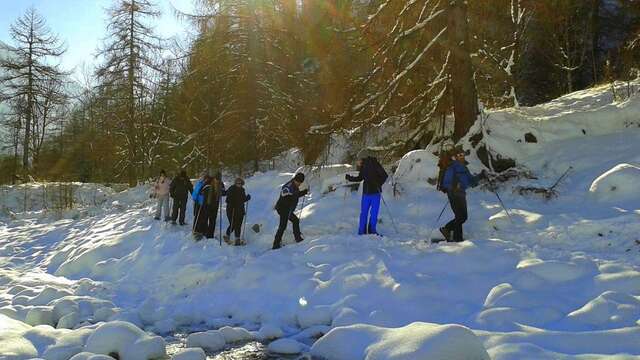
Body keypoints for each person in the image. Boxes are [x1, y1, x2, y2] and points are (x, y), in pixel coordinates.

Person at [345, 150, 388, 235]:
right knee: (373, 213)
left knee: (364, 212)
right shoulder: (366, 166)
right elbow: (384, 176)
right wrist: (350, 178)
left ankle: (362, 231)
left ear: (363, 158)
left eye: (359, 159)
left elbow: (384, 176)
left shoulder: (374, 164)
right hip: (373, 193)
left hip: (371, 193)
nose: (358, 161)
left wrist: (377, 183)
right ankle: (371, 231)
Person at [440, 148, 478, 242]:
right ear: (455, 157)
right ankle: (457, 238)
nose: (462, 156)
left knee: (463, 217)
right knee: (460, 216)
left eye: (463, 154)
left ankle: (447, 229)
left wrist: (481, 176)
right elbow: (446, 183)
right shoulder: (452, 167)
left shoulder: (464, 167)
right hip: (454, 194)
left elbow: (471, 182)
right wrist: (454, 187)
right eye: (460, 155)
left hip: (461, 194)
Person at [272, 173, 308, 250]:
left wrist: (304, 192)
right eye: (298, 182)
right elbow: (285, 195)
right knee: (282, 226)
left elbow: (295, 195)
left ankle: (298, 238)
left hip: (288, 209)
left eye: (300, 183)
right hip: (283, 209)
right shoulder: (288, 187)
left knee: (295, 220)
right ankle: (276, 244)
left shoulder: (294, 186)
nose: (299, 184)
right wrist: (290, 199)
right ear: (295, 180)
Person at [197, 172, 226, 239]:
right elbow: (201, 191)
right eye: (216, 179)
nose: (217, 180)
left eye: (219, 179)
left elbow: (224, 193)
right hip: (207, 204)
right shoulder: (208, 182)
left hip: (215, 205)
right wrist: (204, 192)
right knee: (205, 219)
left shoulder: (220, 184)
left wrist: (222, 192)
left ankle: (210, 235)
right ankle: (204, 232)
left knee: (212, 220)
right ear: (214, 178)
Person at [224, 177, 251, 245]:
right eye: (237, 183)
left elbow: (242, 199)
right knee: (233, 224)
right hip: (231, 210)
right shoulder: (231, 189)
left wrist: (247, 198)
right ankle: (227, 236)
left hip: (240, 210)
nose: (239, 184)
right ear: (235, 183)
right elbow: (228, 199)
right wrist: (232, 202)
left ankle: (237, 239)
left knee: (238, 224)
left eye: (240, 183)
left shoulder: (242, 190)